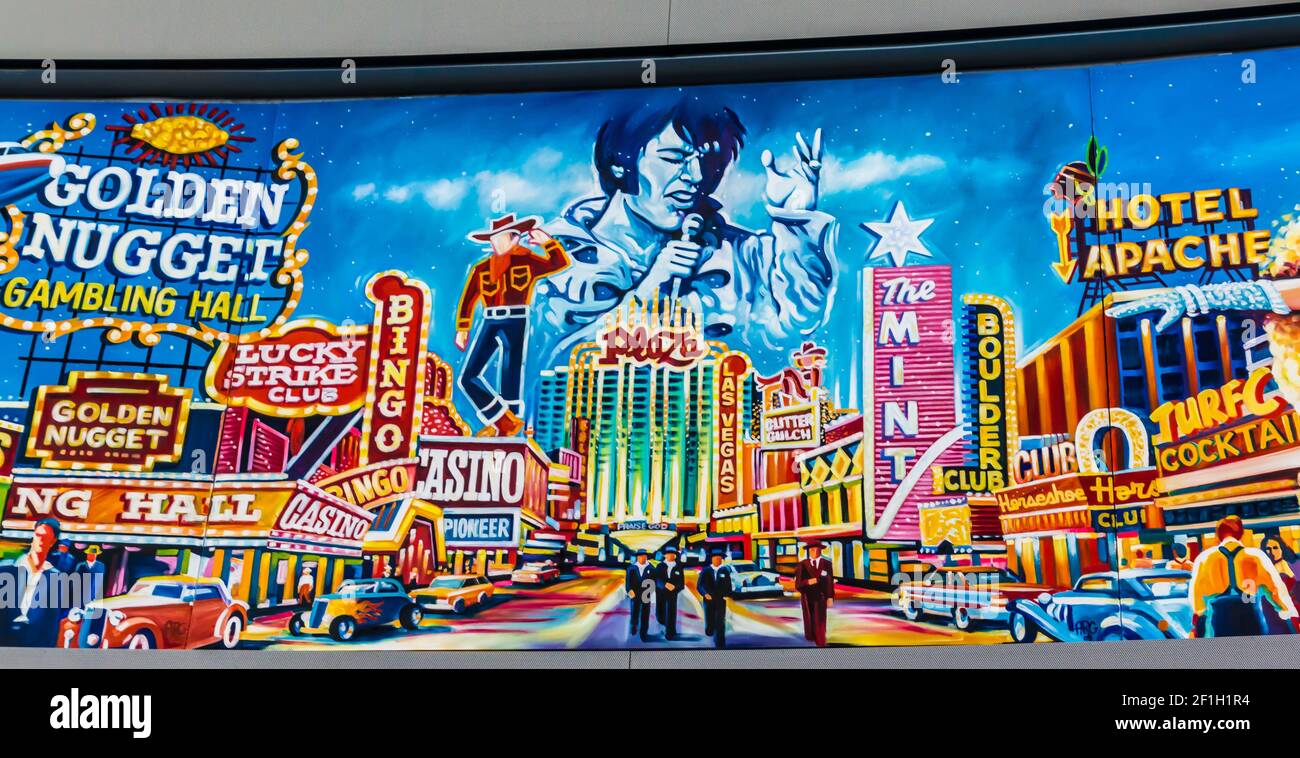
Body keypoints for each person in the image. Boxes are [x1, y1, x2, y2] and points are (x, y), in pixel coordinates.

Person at [530, 98, 838, 383]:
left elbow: (795, 322)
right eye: (674, 158)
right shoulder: (553, 256)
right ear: (619, 162)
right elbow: (546, 372)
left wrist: (794, 220)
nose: (695, 174)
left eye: (703, 160)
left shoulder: (737, 252)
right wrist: (646, 295)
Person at [455, 213, 569, 436]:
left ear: (514, 238)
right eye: (492, 238)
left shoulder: (527, 260)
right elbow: (469, 297)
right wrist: (463, 327)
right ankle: (502, 420)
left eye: (499, 237)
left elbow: (559, 262)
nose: (494, 242)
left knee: (511, 375)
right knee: (468, 377)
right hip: (490, 320)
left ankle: (507, 427)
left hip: (517, 319)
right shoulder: (482, 268)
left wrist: (548, 243)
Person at [1190, 516, 1299, 637]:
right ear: (1241, 533)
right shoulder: (1256, 556)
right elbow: (1276, 590)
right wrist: (1287, 612)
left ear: (1218, 535)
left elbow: (1197, 598)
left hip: (1220, 622)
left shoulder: (1204, 558)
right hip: (1251, 618)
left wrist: (1199, 620)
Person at [0, 518, 74, 646]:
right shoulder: (6, 569)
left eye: (46, 537)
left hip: (33, 643)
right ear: (33, 535)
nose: (40, 540)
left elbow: (52, 620)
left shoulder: (56, 578)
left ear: (53, 541)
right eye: (38, 535)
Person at [794, 541, 835, 647]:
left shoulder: (827, 564)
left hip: (821, 597)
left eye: (818, 549)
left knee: (821, 618)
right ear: (809, 551)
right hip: (807, 597)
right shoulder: (802, 565)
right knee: (809, 618)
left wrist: (830, 597)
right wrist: (808, 582)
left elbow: (830, 581)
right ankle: (810, 635)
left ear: (821, 550)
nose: (815, 552)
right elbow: (798, 585)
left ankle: (820, 640)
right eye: (812, 550)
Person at [1260, 535, 1299, 634]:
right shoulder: (1263, 570)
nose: (1272, 552)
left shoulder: (1294, 565)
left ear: (1282, 548)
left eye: (1275, 547)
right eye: (1268, 549)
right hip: (1275, 609)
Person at [696, 550, 733, 648]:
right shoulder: (706, 570)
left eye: (720, 558)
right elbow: (699, 585)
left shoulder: (724, 570)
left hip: (720, 600)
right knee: (710, 619)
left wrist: (727, 594)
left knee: (720, 621)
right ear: (712, 559)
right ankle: (709, 628)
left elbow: (728, 585)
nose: (718, 560)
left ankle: (720, 642)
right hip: (708, 599)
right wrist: (705, 594)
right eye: (716, 558)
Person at [653, 546, 685, 640]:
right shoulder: (660, 566)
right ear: (665, 555)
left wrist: (675, 587)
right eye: (669, 554)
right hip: (661, 593)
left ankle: (670, 632)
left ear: (675, 556)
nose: (671, 556)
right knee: (660, 614)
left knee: (671, 612)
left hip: (672, 594)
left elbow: (681, 583)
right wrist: (665, 585)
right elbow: (656, 579)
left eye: (673, 554)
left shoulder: (678, 567)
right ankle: (664, 623)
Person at [624, 549, 655, 642]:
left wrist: (651, 592)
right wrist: (629, 591)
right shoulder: (631, 568)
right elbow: (628, 583)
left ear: (646, 557)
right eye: (640, 556)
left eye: (644, 556)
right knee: (635, 612)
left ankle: (643, 633)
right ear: (637, 557)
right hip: (635, 594)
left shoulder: (651, 568)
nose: (642, 558)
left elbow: (654, 581)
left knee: (645, 614)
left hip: (646, 594)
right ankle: (634, 626)